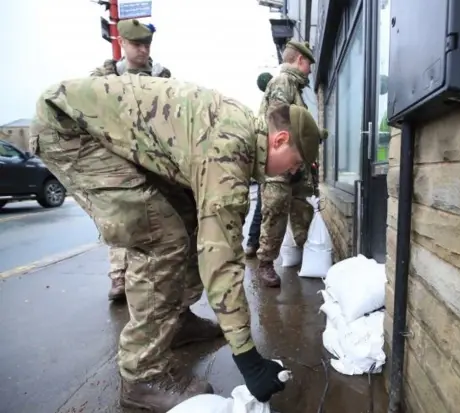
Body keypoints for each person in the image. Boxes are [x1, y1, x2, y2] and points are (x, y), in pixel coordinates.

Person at [29, 73, 321, 412]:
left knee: (188, 220)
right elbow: (221, 257)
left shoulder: (240, 132)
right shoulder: (229, 150)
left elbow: (212, 230)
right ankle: (142, 375)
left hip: (96, 129)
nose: (291, 172)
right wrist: (248, 358)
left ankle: (177, 319)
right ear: (280, 139)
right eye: (295, 163)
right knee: (159, 237)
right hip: (70, 130)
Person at [91, 18, 172, 302]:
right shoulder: (105, 76)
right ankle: (118, 276)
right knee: (119, 217)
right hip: (117, 156)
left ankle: (148, 277)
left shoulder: (162, 75)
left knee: (152, 217)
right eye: (137, 44)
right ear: (122, 43)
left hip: (152, 157)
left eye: (147, 44)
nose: (143, 50)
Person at [254, 41, 316, 288]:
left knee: (303, 208)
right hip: (280, 163)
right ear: (300, 60)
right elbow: (279, 123)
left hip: (296, 165)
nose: (310, 70)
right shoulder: (283, 83)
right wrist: (290, 160)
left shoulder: (296, 88)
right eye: (309, 63)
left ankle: (306, 252)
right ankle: (266, 263)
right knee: (276, 210)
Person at [245, 71, 274, 257]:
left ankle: (251, 243)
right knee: (266, 206)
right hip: (273, 161)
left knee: (260, 207)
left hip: (266, 160)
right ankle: (257, 245)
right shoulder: (274, 101)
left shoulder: (263, 105)